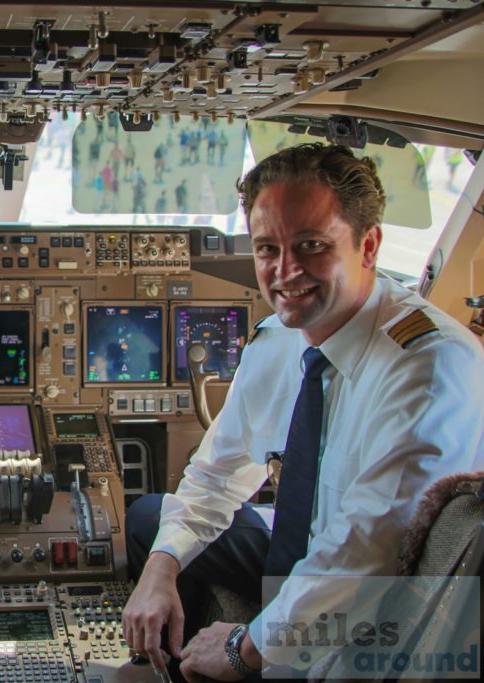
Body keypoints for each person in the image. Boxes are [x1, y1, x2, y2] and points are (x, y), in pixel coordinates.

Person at [121, 143, 484, 682]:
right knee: (153, 522)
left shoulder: (426, 369)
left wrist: (244, 646)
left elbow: (366, 556)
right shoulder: (282, 340)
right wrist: (160, 567)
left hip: (380, 609)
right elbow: (218, 472)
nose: (285, 272)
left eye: (311, 245)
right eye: (268, 248)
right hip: (307, 545)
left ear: (369, 245)